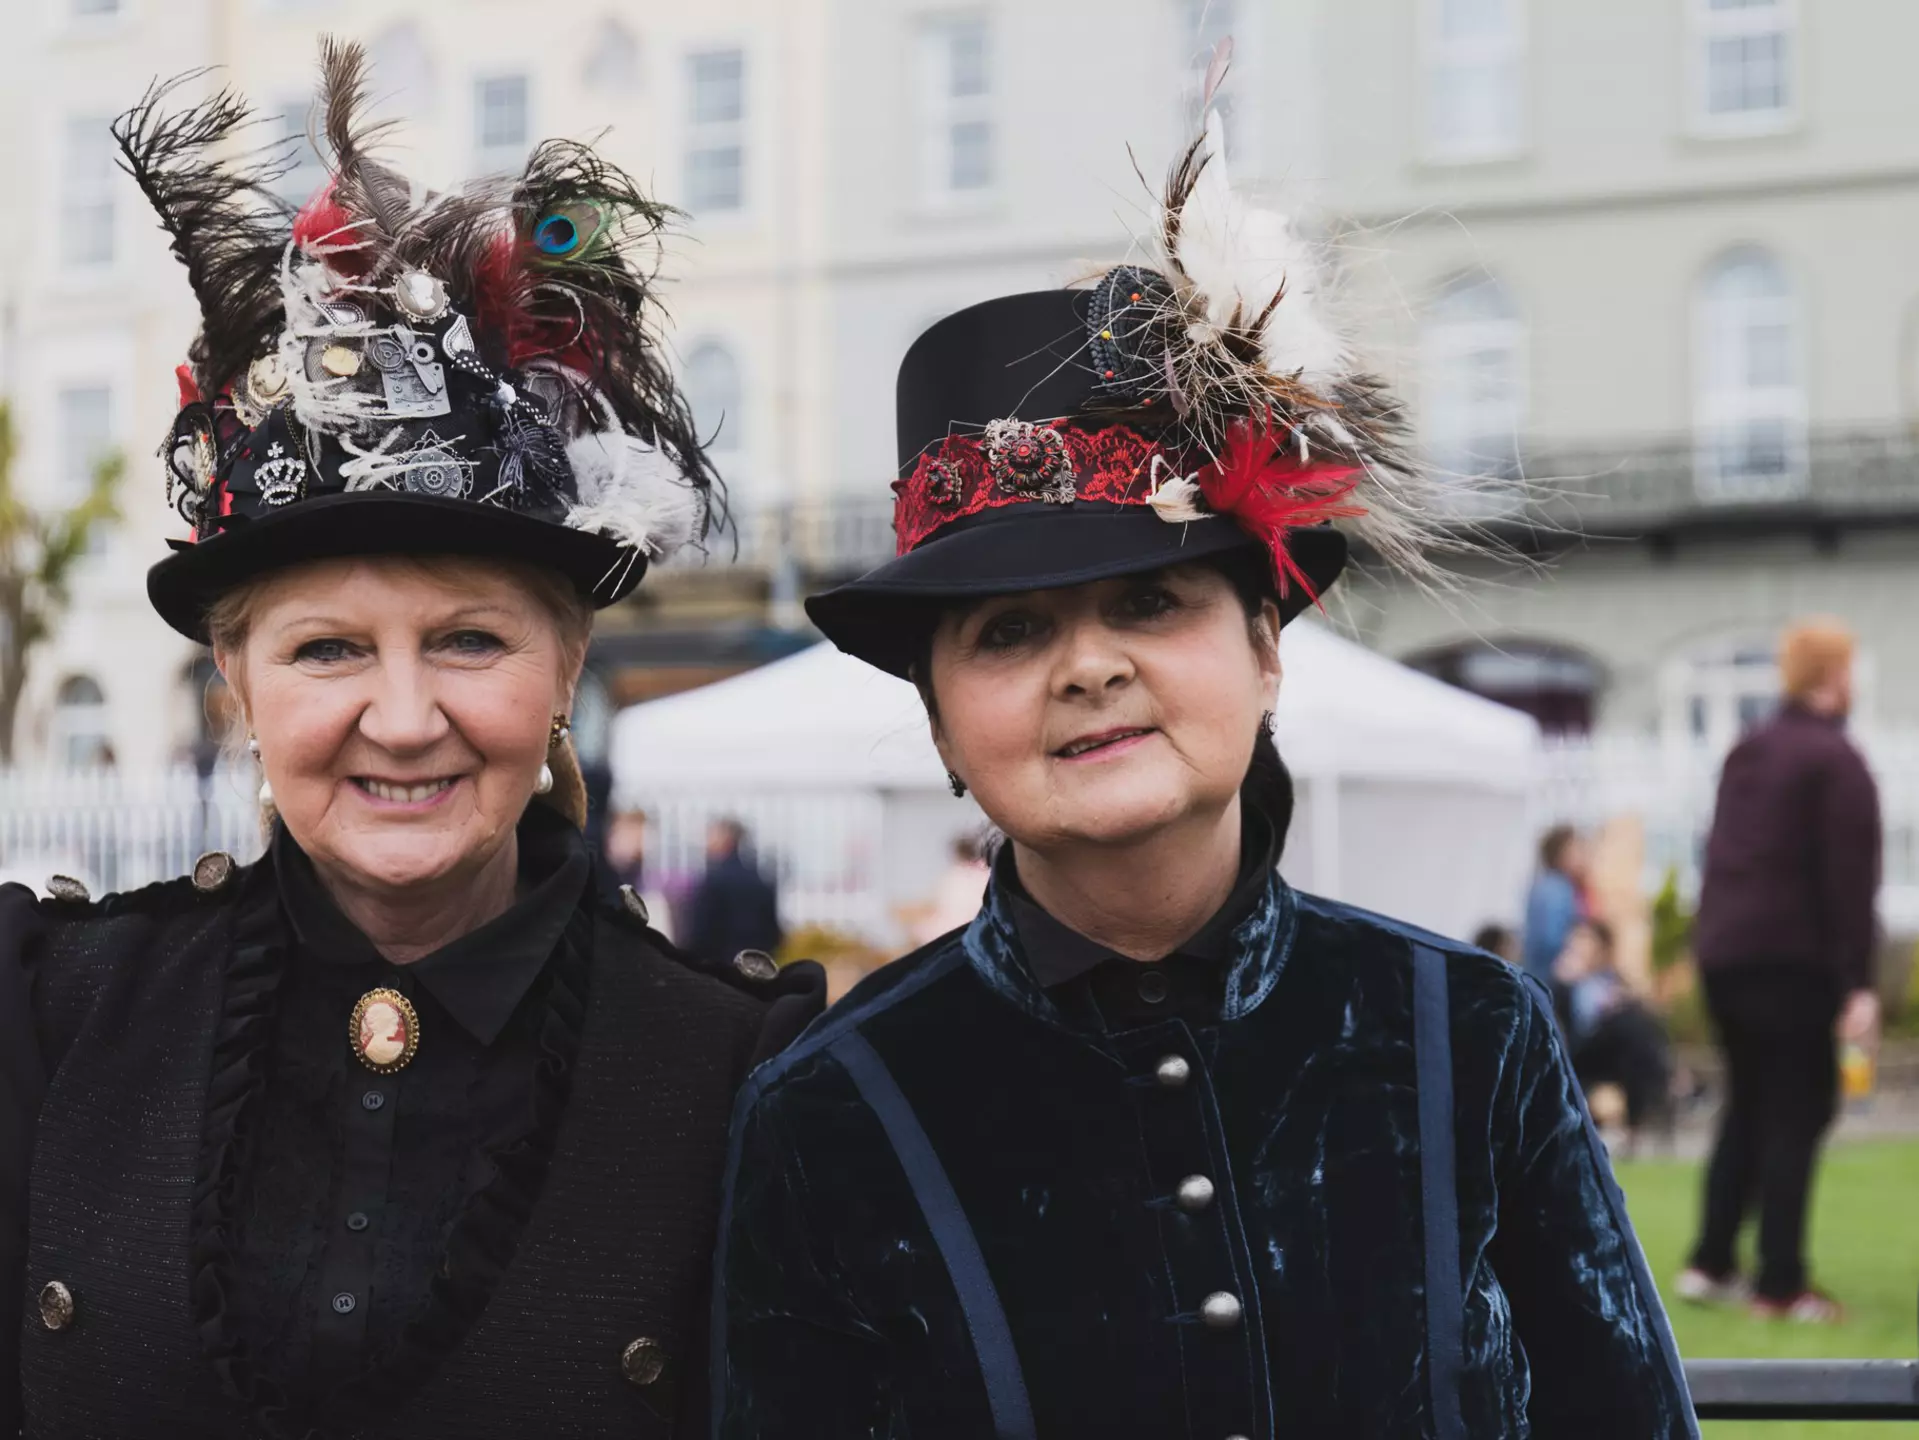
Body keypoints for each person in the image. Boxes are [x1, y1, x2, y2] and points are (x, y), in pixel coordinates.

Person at [712, 75, 1695, 1438]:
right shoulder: (828, 1109)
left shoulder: (1466, 1034)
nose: (1088, 665)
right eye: (1006, 630)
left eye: (1148, 600)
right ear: (937, 720)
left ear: (1267, 644)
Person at [0, 49, 821, 1439]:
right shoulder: (55, 1014)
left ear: (564, 664)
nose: (401, 716)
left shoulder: (735, 1072)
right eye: (326, 649)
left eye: (468, 640)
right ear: (237, 685)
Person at [1680, 619, 1881, 1322]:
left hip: (1725, 954)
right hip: (1790, 958)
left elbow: (1720, 854)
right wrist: (1857, 981)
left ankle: (1708, 1261)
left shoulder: (1748, 749)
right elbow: (1847, 879)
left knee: (1748, 1105)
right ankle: (1780, 1282)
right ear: (1832, 676)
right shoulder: (1834, 760)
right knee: (1798, 1108)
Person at [1554, 919, 1675, 1142]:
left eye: (1587, 942)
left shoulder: (1614, 980)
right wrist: (1566, 983)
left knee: (1636, 1022)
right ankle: (1670, 1084)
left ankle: (1658, 1089)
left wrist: (1625, 998)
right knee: (1630, 1022)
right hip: (1582, 1053)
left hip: (1615, 1056)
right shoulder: (1564, 983)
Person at [687, 818, 782, 965]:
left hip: (720, 969)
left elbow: (699, 935)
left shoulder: (713, 882)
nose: (707, 844)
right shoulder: (760, 881)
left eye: (711, 837)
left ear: (726, 840)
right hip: (755, 968)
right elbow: (774, 935)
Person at [1522, 824, 1589, 989]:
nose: (1583, 856)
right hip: (1551, 980)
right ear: (1560, 854)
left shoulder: (1547, 884)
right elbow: (1549, 940)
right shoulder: (1556, 890)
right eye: (1577, 850)